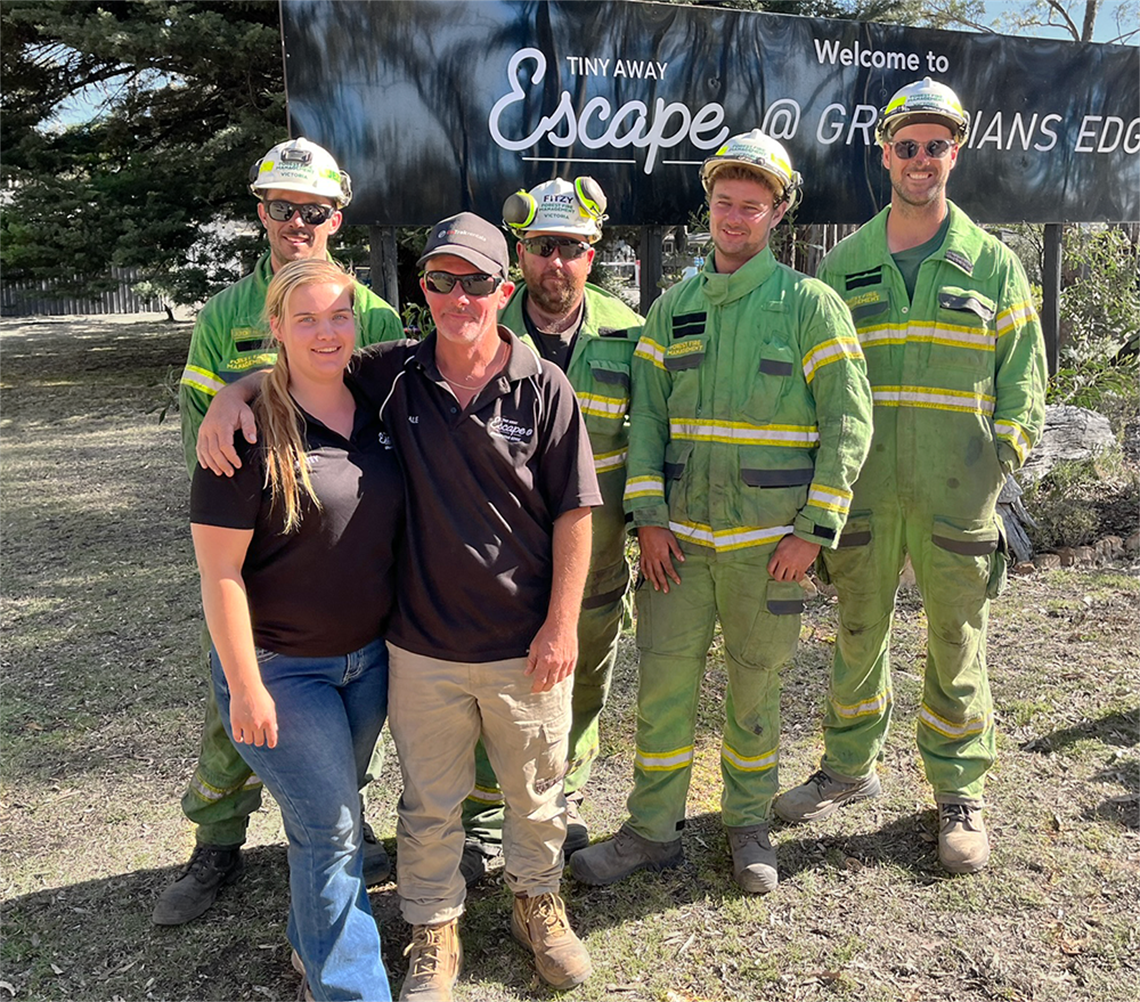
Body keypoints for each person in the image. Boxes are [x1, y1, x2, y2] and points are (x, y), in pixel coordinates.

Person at [197, 213, 599, 1001]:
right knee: (426, 805)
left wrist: (561, 624)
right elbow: (301, 368)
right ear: (423, 293)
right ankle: (432, 929)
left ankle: (538, 906)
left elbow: (576, 512)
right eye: (441, 281)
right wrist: (229, 392)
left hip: (525, 646)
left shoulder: (544, 385)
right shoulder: (394, 375)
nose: (459, 297)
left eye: (477, 281)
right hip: (417, 649)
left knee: (537, 794)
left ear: (503, 290)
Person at [571, 131, 873, 895]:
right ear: (708, 205)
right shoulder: (673, 309)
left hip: (769, 552)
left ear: (777, 213)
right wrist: (650, 519)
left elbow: (848, 422)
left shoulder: (811, 306)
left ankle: (748, 825)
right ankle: (650, 830)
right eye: (724, 202)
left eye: (753, 206)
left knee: (756, 690)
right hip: (680, 553)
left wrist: (814, 531)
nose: (735, 218)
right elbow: (645, 422)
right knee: (662, 689)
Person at [774, 78, 1047, 875]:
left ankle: (959, 790)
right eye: (907, 145)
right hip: (863, 490)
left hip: (957, 493)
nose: (921, 158)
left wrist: (1003, 456)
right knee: (857, 633)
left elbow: (1026, 379)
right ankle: (849, 769)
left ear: (953, 153)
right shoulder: (846, 262)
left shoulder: (993, 264)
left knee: (958, 641)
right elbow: (816, 381)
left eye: (936, 145)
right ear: (885, 153)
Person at [154, 137, 403, 927]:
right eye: (282, 206)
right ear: (261, 211)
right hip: (252, 563)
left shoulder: (374, 312)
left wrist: (254, 381)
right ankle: (217, 844)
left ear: (339, 214)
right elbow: (210, 446)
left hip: (345, 559)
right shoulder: (224, 315)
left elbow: (373, 407)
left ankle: (341, 822)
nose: (298, 221)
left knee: (346, 718)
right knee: (235, 710)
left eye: (315, 209)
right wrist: (237, 396)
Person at [191, 259, 399, 1001]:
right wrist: (245, 686)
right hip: (281, 668)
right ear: (273, 328)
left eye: (338, 315)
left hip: (368, 663)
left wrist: (232, 384)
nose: (324, 331)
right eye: (304, 319)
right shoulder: (244, 432)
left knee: (328, 818)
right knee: (335, 831)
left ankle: (311, 946)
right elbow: (219, 575)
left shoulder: (381, 394)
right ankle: (350, 988)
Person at [457, 177, 644, 884]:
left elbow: (651, 445)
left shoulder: (630, 334)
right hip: (499, 567)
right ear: (519, 253)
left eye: (569, 248)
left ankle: (556, 802)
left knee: (581, 690)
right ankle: (480, 824)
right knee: (487, 695)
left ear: (591, 254)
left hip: (594, 564)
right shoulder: (483, 331)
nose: (554, 264)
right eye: (541, 248)